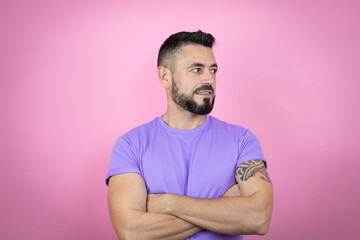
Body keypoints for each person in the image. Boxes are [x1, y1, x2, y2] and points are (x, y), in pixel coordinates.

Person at [105, 30, 273, 240]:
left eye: (213, 70)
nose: (209, 79)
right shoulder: (130, 145)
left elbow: (258, 218)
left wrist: (167, 203)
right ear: (165, 76)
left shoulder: (242, 140)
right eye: (196, 70)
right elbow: (132, 232)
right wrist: (224, 208)